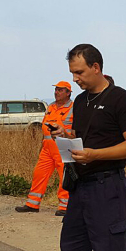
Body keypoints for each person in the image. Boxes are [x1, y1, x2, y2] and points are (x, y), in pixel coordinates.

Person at [31, 44, 126, 251]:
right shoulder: (81, 102)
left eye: (79, 72)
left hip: (108, 187)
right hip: (80, 187)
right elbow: (84, 136)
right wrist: (66, 134)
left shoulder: (122, 99)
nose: (75, 78)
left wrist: (95, 154)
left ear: (96, 67)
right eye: (72, 72)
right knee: (72, 250)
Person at [15, 81, 74, 216]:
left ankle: (65, 206)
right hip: (47, 148)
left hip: (63, 147)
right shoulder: (51, 107)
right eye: (56, 89)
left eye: (60, 90)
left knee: (64, 177)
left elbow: (76, 130)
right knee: (39, 174)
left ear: (68, 93)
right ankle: (32, 204)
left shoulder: (73, 108)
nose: (56, 92)